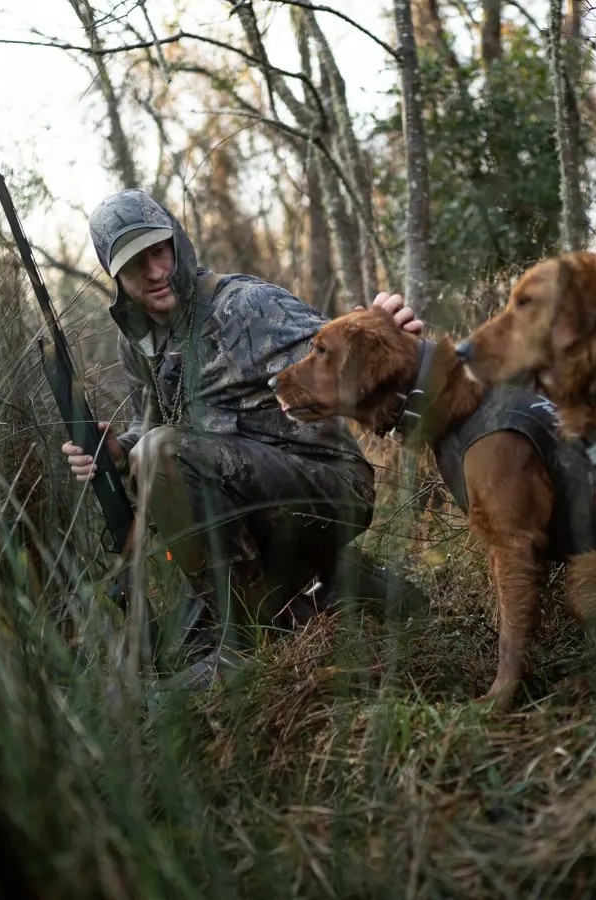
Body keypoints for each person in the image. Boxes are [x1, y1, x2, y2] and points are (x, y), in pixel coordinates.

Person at [62, 189, 425, 678]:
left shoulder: (246, 305)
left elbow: (345, 347)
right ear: (117, 277)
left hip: (329, 491)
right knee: (164, 653)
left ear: (179, 243)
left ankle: (249, 643)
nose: (155, 272)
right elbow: (149, 425)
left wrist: (393, 329)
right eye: (135, 264)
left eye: (159, 250)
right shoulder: (139, 344)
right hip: (249, 515)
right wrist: (116, 449)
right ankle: (333, 583)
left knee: (161, 455)